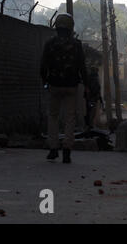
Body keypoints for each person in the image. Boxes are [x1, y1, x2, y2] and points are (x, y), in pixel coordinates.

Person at [40, 13, 88, 164]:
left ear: (56, 26)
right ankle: (67, 151)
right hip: (71, 87)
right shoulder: (76, 45)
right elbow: (82, 67)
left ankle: (53, 148)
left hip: (54, 85)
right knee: (70, 118)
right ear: (71, 27)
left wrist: (45, 81)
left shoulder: (50, 44)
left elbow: (43, 66)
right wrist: (86, 85)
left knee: (53, 117)